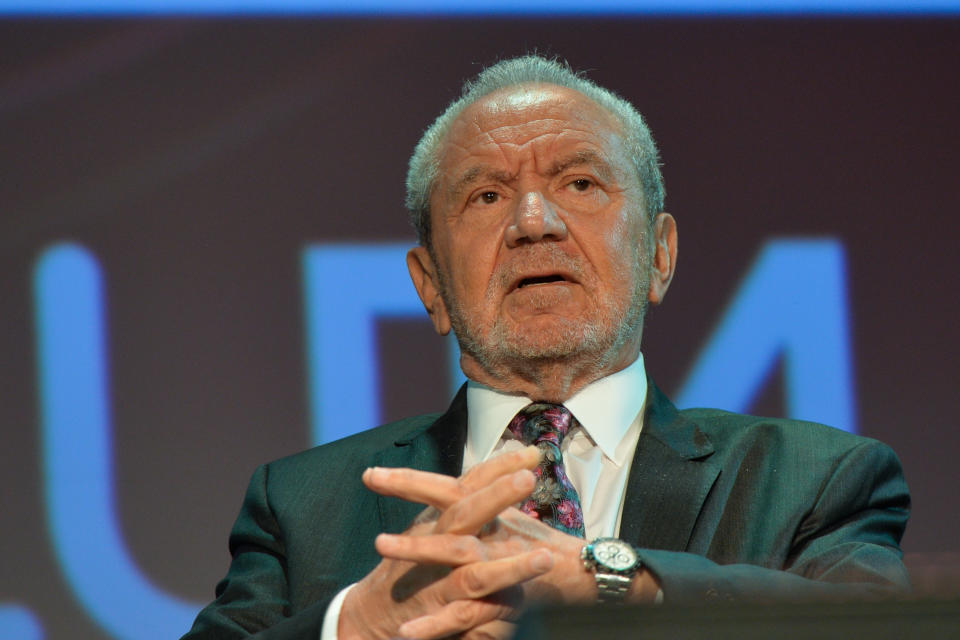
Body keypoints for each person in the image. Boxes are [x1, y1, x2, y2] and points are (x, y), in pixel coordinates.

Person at [182, 55, 910, 640]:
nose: (534, 221)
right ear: (430, 284)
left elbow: (873, 628)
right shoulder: (303, 506)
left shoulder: (816, 481)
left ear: (659, 256)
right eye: (487, 197)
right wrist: (358, 626)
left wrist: (608, 580)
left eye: (581, 182)